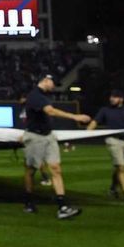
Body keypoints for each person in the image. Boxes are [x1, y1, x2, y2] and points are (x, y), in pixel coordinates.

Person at [21, 74, 90, 219]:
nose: (53, 87)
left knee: (56, 169)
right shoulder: (35, 95)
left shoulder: (43, 96)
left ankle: (62, 207)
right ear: (45, 81)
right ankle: (28, 201)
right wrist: (75, 117)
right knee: (31, 170)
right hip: (35, 137)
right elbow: (50, 111)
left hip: (48, 135)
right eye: (53, 83)